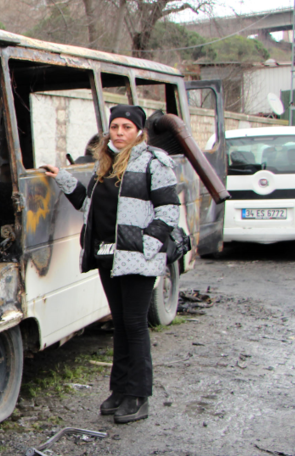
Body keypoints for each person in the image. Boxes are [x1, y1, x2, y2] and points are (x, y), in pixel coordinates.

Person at [40, 105, 180, 424]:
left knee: (134, 324)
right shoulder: (104, 164)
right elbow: (90, 206)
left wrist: (146, 245)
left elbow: (169, 211)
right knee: (120, 323)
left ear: (139, 132)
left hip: (137, 257)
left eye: (127, 127)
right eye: (115, 126)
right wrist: (62, 177)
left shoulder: (152, 163)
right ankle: (119, 392)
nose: (119, 132)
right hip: (108, 255)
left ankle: (139, 396)